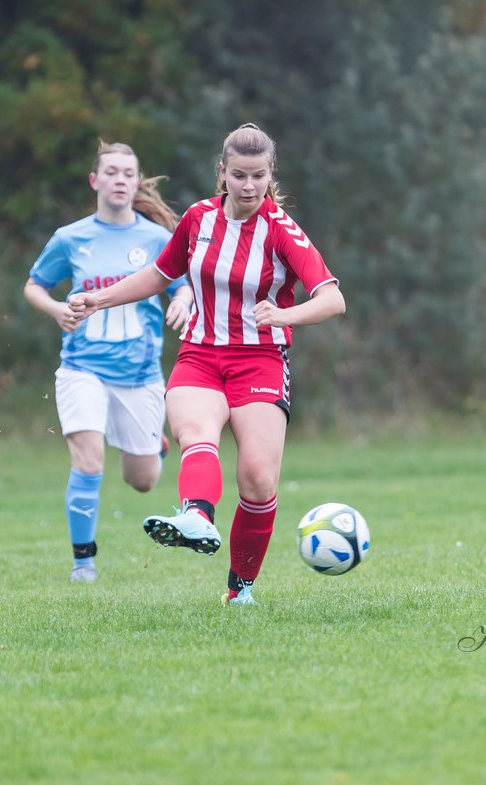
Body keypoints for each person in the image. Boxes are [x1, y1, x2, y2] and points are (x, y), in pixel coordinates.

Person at [66, 123, 346, 605]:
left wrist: (284, 314)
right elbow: (159, 275)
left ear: (270, 174)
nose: (249, 186)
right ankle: (196, 515)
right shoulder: (198, 219)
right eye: (239, 175)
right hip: (200, 354)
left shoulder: (282, 232)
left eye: (259, 176)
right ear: (222, 173)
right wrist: (99, 299)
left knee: (258, 481)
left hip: (260, 360)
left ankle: (240, 590)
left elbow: (332, 299)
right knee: (197, 434)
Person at [24, 141, 192, 584]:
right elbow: (34, 286)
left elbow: (183, 285)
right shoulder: (71, 238)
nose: (120, 179)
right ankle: (84, 562)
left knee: (143, 481)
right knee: (89, 460)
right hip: (83, 368)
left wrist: (185, 299)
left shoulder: (158, 239)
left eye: (128, 173)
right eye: (111, 172)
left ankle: (152, 444)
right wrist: (56, 308)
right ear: (95, 181)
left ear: (137, 183)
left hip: (139, 376)